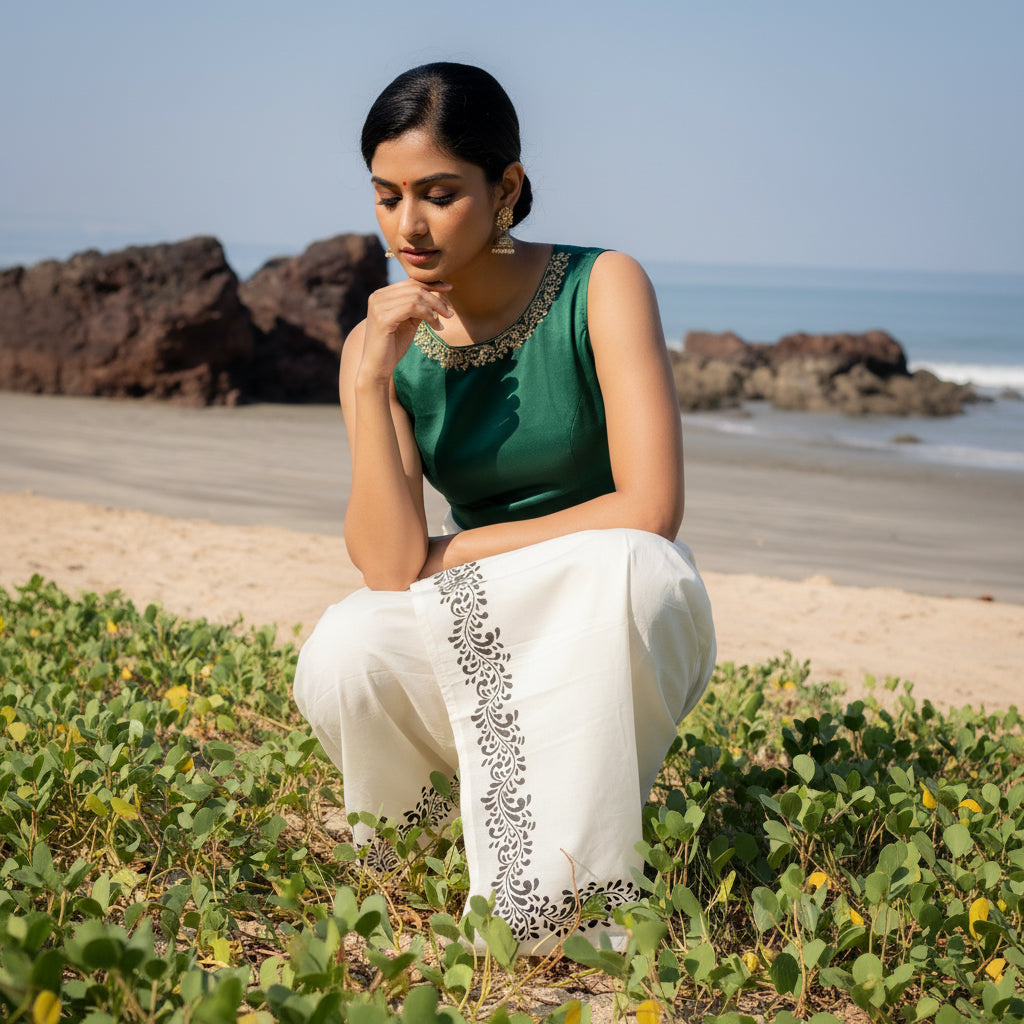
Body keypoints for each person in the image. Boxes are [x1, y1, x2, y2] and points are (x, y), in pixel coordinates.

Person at [293, 62, 716, 956]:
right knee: (346, 645)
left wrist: (460, 549)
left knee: (636, 568)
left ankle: (567, 906)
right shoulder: (379, 351)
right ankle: (408, 855)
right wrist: (371, 378)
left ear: (507, 188)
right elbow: (384, 566)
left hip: (611, 605)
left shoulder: (602, 286)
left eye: (440, 194)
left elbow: (651, 509)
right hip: (478, 608)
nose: (408, 224)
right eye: (387, 196)